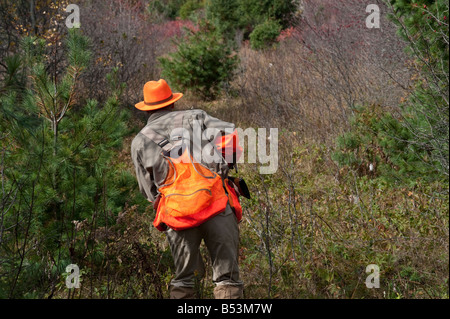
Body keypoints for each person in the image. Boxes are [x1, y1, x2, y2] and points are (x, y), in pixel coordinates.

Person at [131, 79, 244, 299]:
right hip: (217, 206)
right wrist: (225, 168)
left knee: (184, 281)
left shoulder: (139, 142)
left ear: (146, 111)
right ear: (172, 103)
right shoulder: (197, 117)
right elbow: (230, 133)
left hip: (178, 216)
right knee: (227, 279)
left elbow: (148, 191)